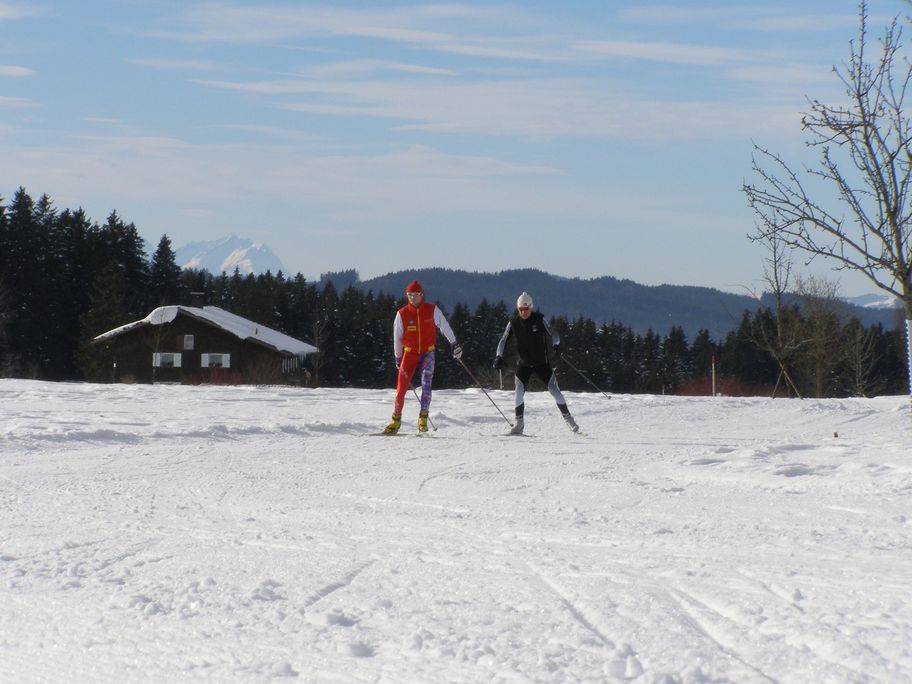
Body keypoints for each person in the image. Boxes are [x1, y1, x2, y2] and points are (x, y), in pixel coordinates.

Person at [383, 280, 463, 434]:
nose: (412, 298)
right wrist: (398, 357)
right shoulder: (402, 314)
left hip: (427, 353)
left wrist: (454, 343)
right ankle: (395, 420)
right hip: (409, 353)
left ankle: (423, 419)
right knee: (401, 389)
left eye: (415, 295)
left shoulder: (432, 309)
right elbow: (397, 336)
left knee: (426, 386)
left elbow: (444, 325)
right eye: (409, 295)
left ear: (421, 295)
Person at [494, 291, 578, 435]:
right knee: (518, 392)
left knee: (554, 390)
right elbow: (503, 340)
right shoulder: (513, 322)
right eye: (521, 309)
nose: (523, 312)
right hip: (524, 364)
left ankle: (569, 419)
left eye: (526, 309)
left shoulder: (539, 319)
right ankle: (519, 424)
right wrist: (498, 356)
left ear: (531, 308)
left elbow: (553, 333)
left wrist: (556, 345)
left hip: (541, 363)